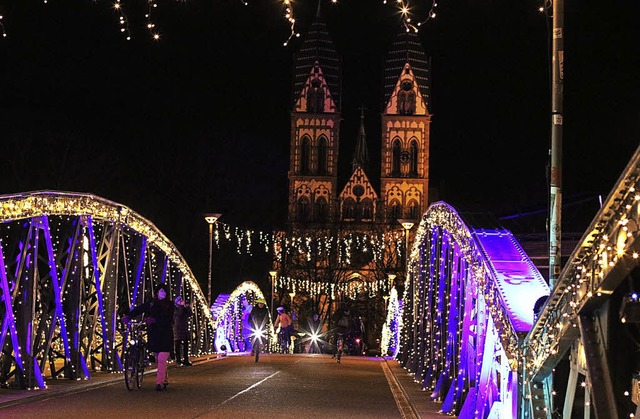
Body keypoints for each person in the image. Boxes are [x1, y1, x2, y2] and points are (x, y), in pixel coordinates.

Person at [122, 284, 175, 391]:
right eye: (160, 291)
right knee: (159, 359)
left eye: (164, 291)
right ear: (156, 293)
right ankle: (165, 379)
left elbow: (169, 319)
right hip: (154, 335)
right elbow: (139, 309)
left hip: (166, 335)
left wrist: (154, 320)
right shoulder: (151, 304)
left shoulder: (170, 305)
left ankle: (159, 383)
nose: (162, 293)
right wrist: (129, 316)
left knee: (161, 359)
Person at [173, 296, 193, 366]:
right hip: (177, 329)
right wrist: (181, 306)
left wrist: (187, 307)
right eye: (180, 300)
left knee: (185, 346)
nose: (181, 301)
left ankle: (186, 360)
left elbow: (190, 314)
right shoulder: (175, 308)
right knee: (177, 346)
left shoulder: (183, 308)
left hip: (184, 329)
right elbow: (180, 314)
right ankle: (178, 360)